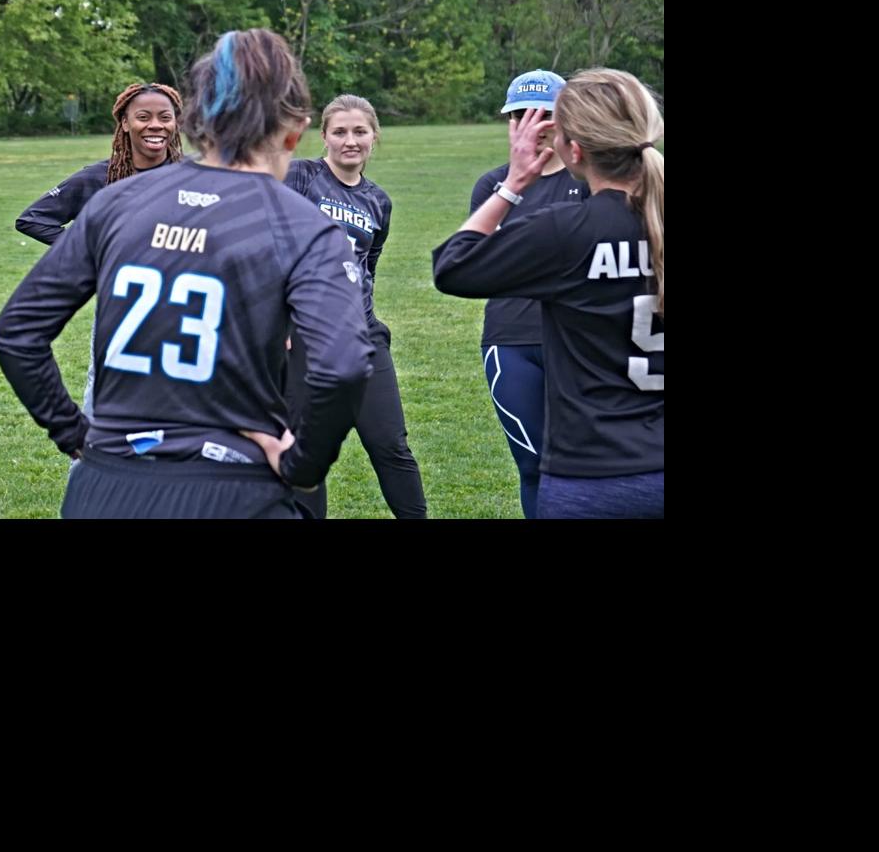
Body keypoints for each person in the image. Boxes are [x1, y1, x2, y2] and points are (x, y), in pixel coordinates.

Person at [0, 28, 372, 518]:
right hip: (233, 489)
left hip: (105, 489)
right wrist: (301, 465)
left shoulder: (117, 202)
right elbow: (343, 367)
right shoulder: (303, 226)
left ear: (192, 121)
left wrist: (76, 435)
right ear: (295, 129)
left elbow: (17, 333)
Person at [432, 69, 663, 519]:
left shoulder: (568, 228)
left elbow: (453, 266)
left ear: (573, 148)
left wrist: (514, 183)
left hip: (590, 479)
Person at [281, 94, 426, 518]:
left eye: (359, 131)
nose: (350, 140)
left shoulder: (378, 201)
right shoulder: (300, 177)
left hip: (360, 337)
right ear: (323, 136)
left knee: (390, 442)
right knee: (304, 448)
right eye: (340, 131)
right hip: (301, 338)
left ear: (374, 137)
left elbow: (368, 265)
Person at [466, 70, 590, 519]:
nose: (534, 124)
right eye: (522, 115)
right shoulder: (493, 187)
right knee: (534, 464)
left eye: (546, 116)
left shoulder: (590, 180)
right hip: (512, 342)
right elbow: (476, 265)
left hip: (581, 341)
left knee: (588, 464)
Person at [14, 82, 184, 245]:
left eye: (165, 117)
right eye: (143, 117)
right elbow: (32, 220)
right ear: (125, 123)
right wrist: (89, 248)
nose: (155, 125)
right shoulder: (98, 178)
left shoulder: (194, 176)